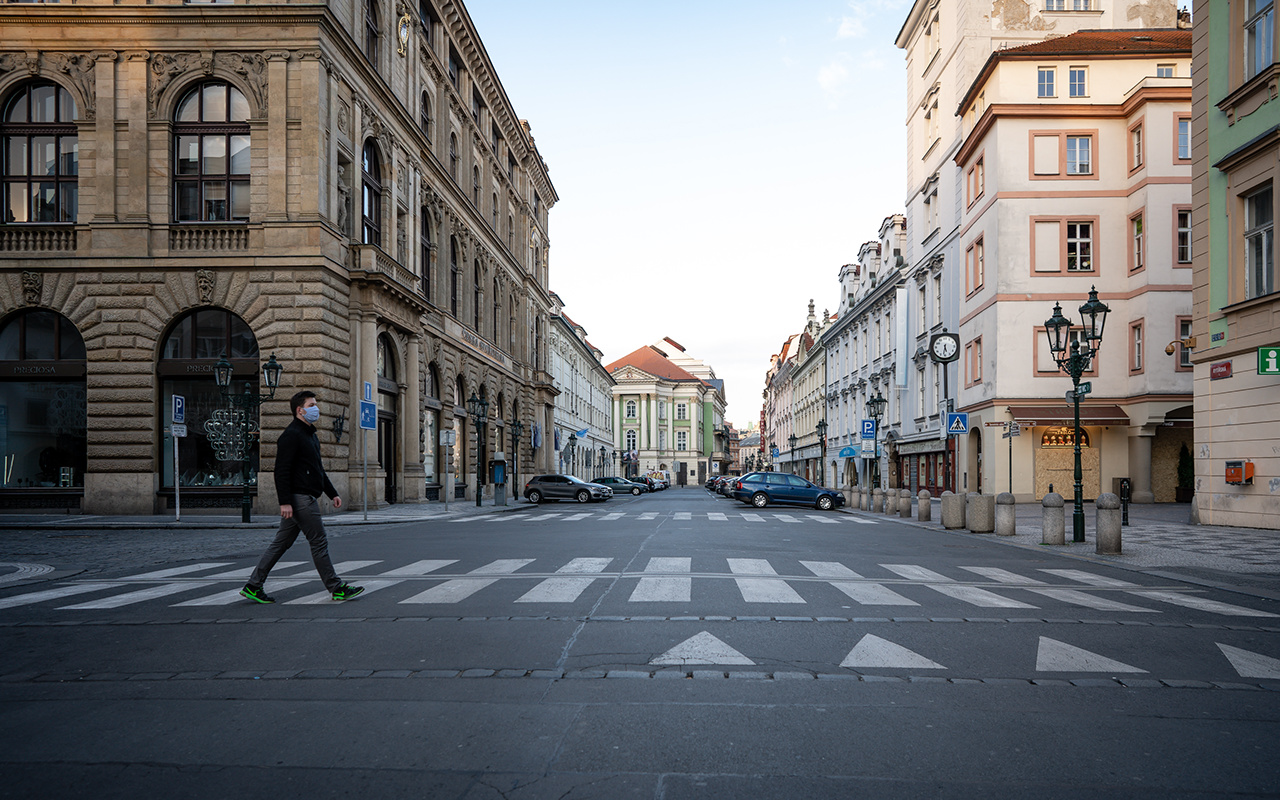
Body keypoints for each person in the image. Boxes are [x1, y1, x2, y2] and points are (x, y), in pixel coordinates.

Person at [240, 390, 363, 603]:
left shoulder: (309, 434)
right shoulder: (291, 435)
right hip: (300, 499)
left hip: (303, 496)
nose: (316, 409)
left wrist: (332, 493)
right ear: (300, 410)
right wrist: (285, 501)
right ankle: (336, 588)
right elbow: (281, 471)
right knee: (319, 541)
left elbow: (317, 469)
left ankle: (253, 585)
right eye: (312, 405)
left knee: (281, 543)